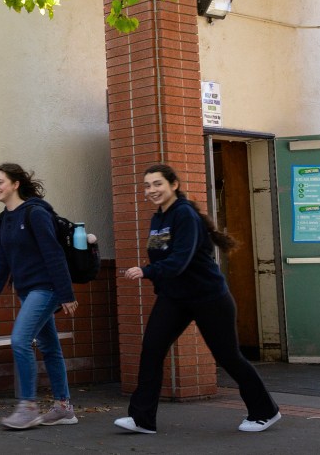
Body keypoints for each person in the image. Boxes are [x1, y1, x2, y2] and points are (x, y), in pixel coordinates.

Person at [115, 163, 281, 435]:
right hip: (175, 297)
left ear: (173, 185)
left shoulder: (184, 215)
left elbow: (179, 260)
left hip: (209, 297)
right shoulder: (158, 218)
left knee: (228, 356)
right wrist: (158, 280)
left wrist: (146, 271)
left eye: (157, 184)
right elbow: (162, 258)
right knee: (152, 349)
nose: (151, 190)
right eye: (147, 185)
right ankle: (142, 419)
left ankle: (265, 411)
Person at [0, 163, 78, 430]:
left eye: (0, 182)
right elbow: (2, 259)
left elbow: (54, 254)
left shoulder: (36, 213)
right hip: (26, 290)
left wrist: (66, 294)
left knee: (20, 340)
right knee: (50, 347)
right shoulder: (4, 219)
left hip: (46, 288)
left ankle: (28, 407)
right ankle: (64, 408)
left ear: (15, 184)